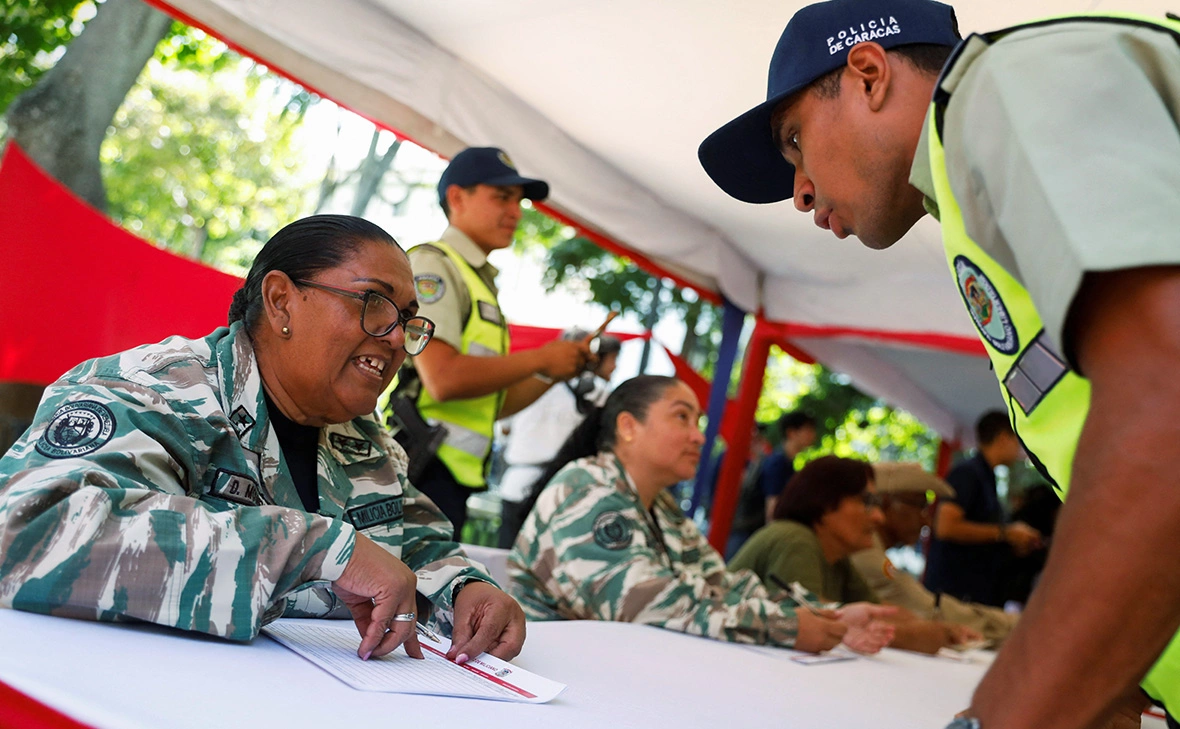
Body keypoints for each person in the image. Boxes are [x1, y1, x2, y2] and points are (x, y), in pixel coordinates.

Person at [698, 0, 1180, 724]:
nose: (799, 192)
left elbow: (1165, 406)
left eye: (795, 142)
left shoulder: (1008, 89)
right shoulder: (973, 184)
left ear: (867, 74)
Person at [0, 214, 525, 665]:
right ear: (280, 302)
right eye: (374, 303)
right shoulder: (154, 390)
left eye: (408, 320)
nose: (394, 338)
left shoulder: (367, 442)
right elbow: (24, 531)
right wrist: (314, 548)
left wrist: (467, 590)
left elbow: (416, 544)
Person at [507, 375, 895, 654]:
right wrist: (785, 626)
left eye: (698, 423)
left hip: (611, 671)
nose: (698, 436)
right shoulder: (586, 486)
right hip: (552, 675)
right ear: (628, 426)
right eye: (682, 418)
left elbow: (721, 585)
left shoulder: (661, 506)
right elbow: (644, 604)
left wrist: (829, 614)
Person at [388, 147, 592, 540]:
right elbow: (443, 379)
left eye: (519, 200)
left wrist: (551, 370)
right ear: (457, 198)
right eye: (502, 197)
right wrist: (541, 358)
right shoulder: (436, 266)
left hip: (450, 477)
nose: (516, 211)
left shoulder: (477, 279)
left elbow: (493, 405)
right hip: (421, 470)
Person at [729, 455, 981, 654]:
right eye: (867, 501)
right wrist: (932, 634)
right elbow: (816, 624)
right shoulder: (795, 539)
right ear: (826, 503)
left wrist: (942, 631)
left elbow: (884, 612)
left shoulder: (837, 559)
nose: (878, 516)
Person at [849, 462, 1019, 644]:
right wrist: (1013, 624)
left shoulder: (870, 552)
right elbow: (926, 607)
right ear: (886, 503)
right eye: (920, 506)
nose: (926, 520)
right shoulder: (866, 553)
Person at [497, 331, 621, 548]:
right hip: (563, 494)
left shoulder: (524, 382)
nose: (614, 366)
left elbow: (504, 430)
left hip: (517, 484)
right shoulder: (599, 393)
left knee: (507, 562)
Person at [923, 411, 1042, 606]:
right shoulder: (968, 473)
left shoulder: (987, 477)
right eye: (1016, 440)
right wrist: (1005, 533)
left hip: (976, 592)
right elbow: (945, 527)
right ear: (1003, 438)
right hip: (954, 594)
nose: (1019, 449)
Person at [726, 411, 817, 558]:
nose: (812, 434)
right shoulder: (778, 463)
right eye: (807, 429)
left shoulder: (786, 464)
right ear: (791, 433)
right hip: (747, 534)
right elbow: (772, 509)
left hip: (751, 533)